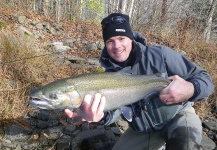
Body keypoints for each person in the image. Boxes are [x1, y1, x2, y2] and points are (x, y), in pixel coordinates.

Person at [65, 13, 214, 150]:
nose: (117, 46)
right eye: (110, 41)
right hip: (143, 130)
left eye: (121, 38)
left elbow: (204, 78)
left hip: (178, 116)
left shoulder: (161, 55)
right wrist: (98, 117)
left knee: (186, 146)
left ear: (131, 38)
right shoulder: (108, 77)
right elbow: (113, 112)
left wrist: (191, 88)